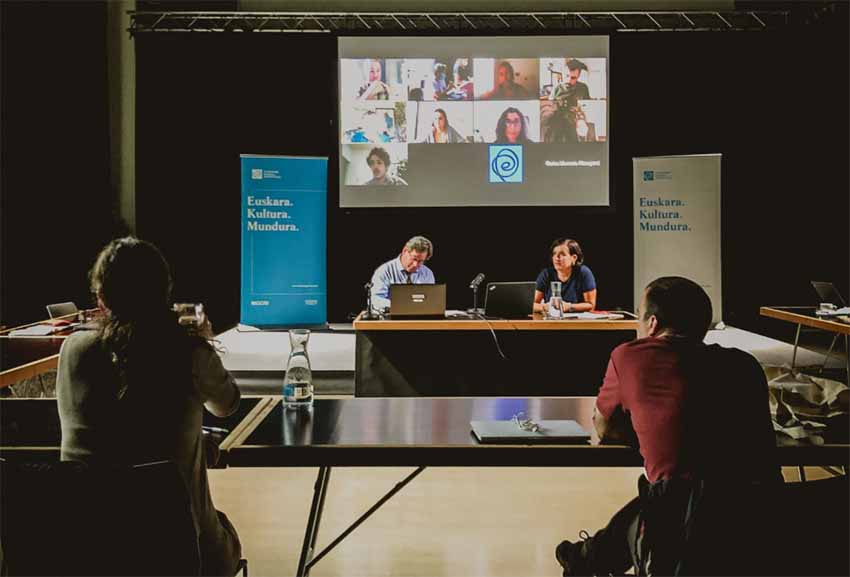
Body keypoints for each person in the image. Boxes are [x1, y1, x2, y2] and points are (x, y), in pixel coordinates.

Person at [555, 276, 782, 576]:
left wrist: (647, 425)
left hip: (685, 535)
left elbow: (604, 428)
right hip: (762, 523)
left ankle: (585, 559)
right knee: (662, 497)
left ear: (651, 323)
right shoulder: (745, 365)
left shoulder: (630, 356)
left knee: (663, 498)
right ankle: (585, 557)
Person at [56, 237, 242, 576]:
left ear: (101, 297)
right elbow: (227, 405)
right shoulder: (188, 352)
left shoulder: (72, 351)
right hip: (180, 553)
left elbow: (120, 426)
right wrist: (205, 343)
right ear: (165, 290)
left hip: (87, 549)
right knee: (223, 529)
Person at [370, 236, 435, 312]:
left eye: (420, 261)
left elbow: (430, 301)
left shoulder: (427, 273)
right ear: (405, 251)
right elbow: (376, 300)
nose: (415, 264)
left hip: (418, 318)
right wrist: (403, 306)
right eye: (414, 258)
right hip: (391, 319)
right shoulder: (384, 271)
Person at [533, 238, 596, 314]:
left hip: (578, 322)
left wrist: (569, 306)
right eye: (554, 254)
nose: (556, 258)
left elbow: (591, 305)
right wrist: (545, 307)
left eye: (562, 254)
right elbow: (532, 304)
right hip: (552, 322)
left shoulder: (583, 272)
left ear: (574, 258)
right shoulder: (546, 274)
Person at [545, 58, 592, 143]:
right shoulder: (556, 88)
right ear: (563, 73)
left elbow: (587, 107)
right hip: (557, 123)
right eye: (567, 76)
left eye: (573, 78)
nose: (569, 80)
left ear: (578, 76)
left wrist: (581, 117)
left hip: (575, 123)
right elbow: (549, 107)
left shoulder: (583, 88)